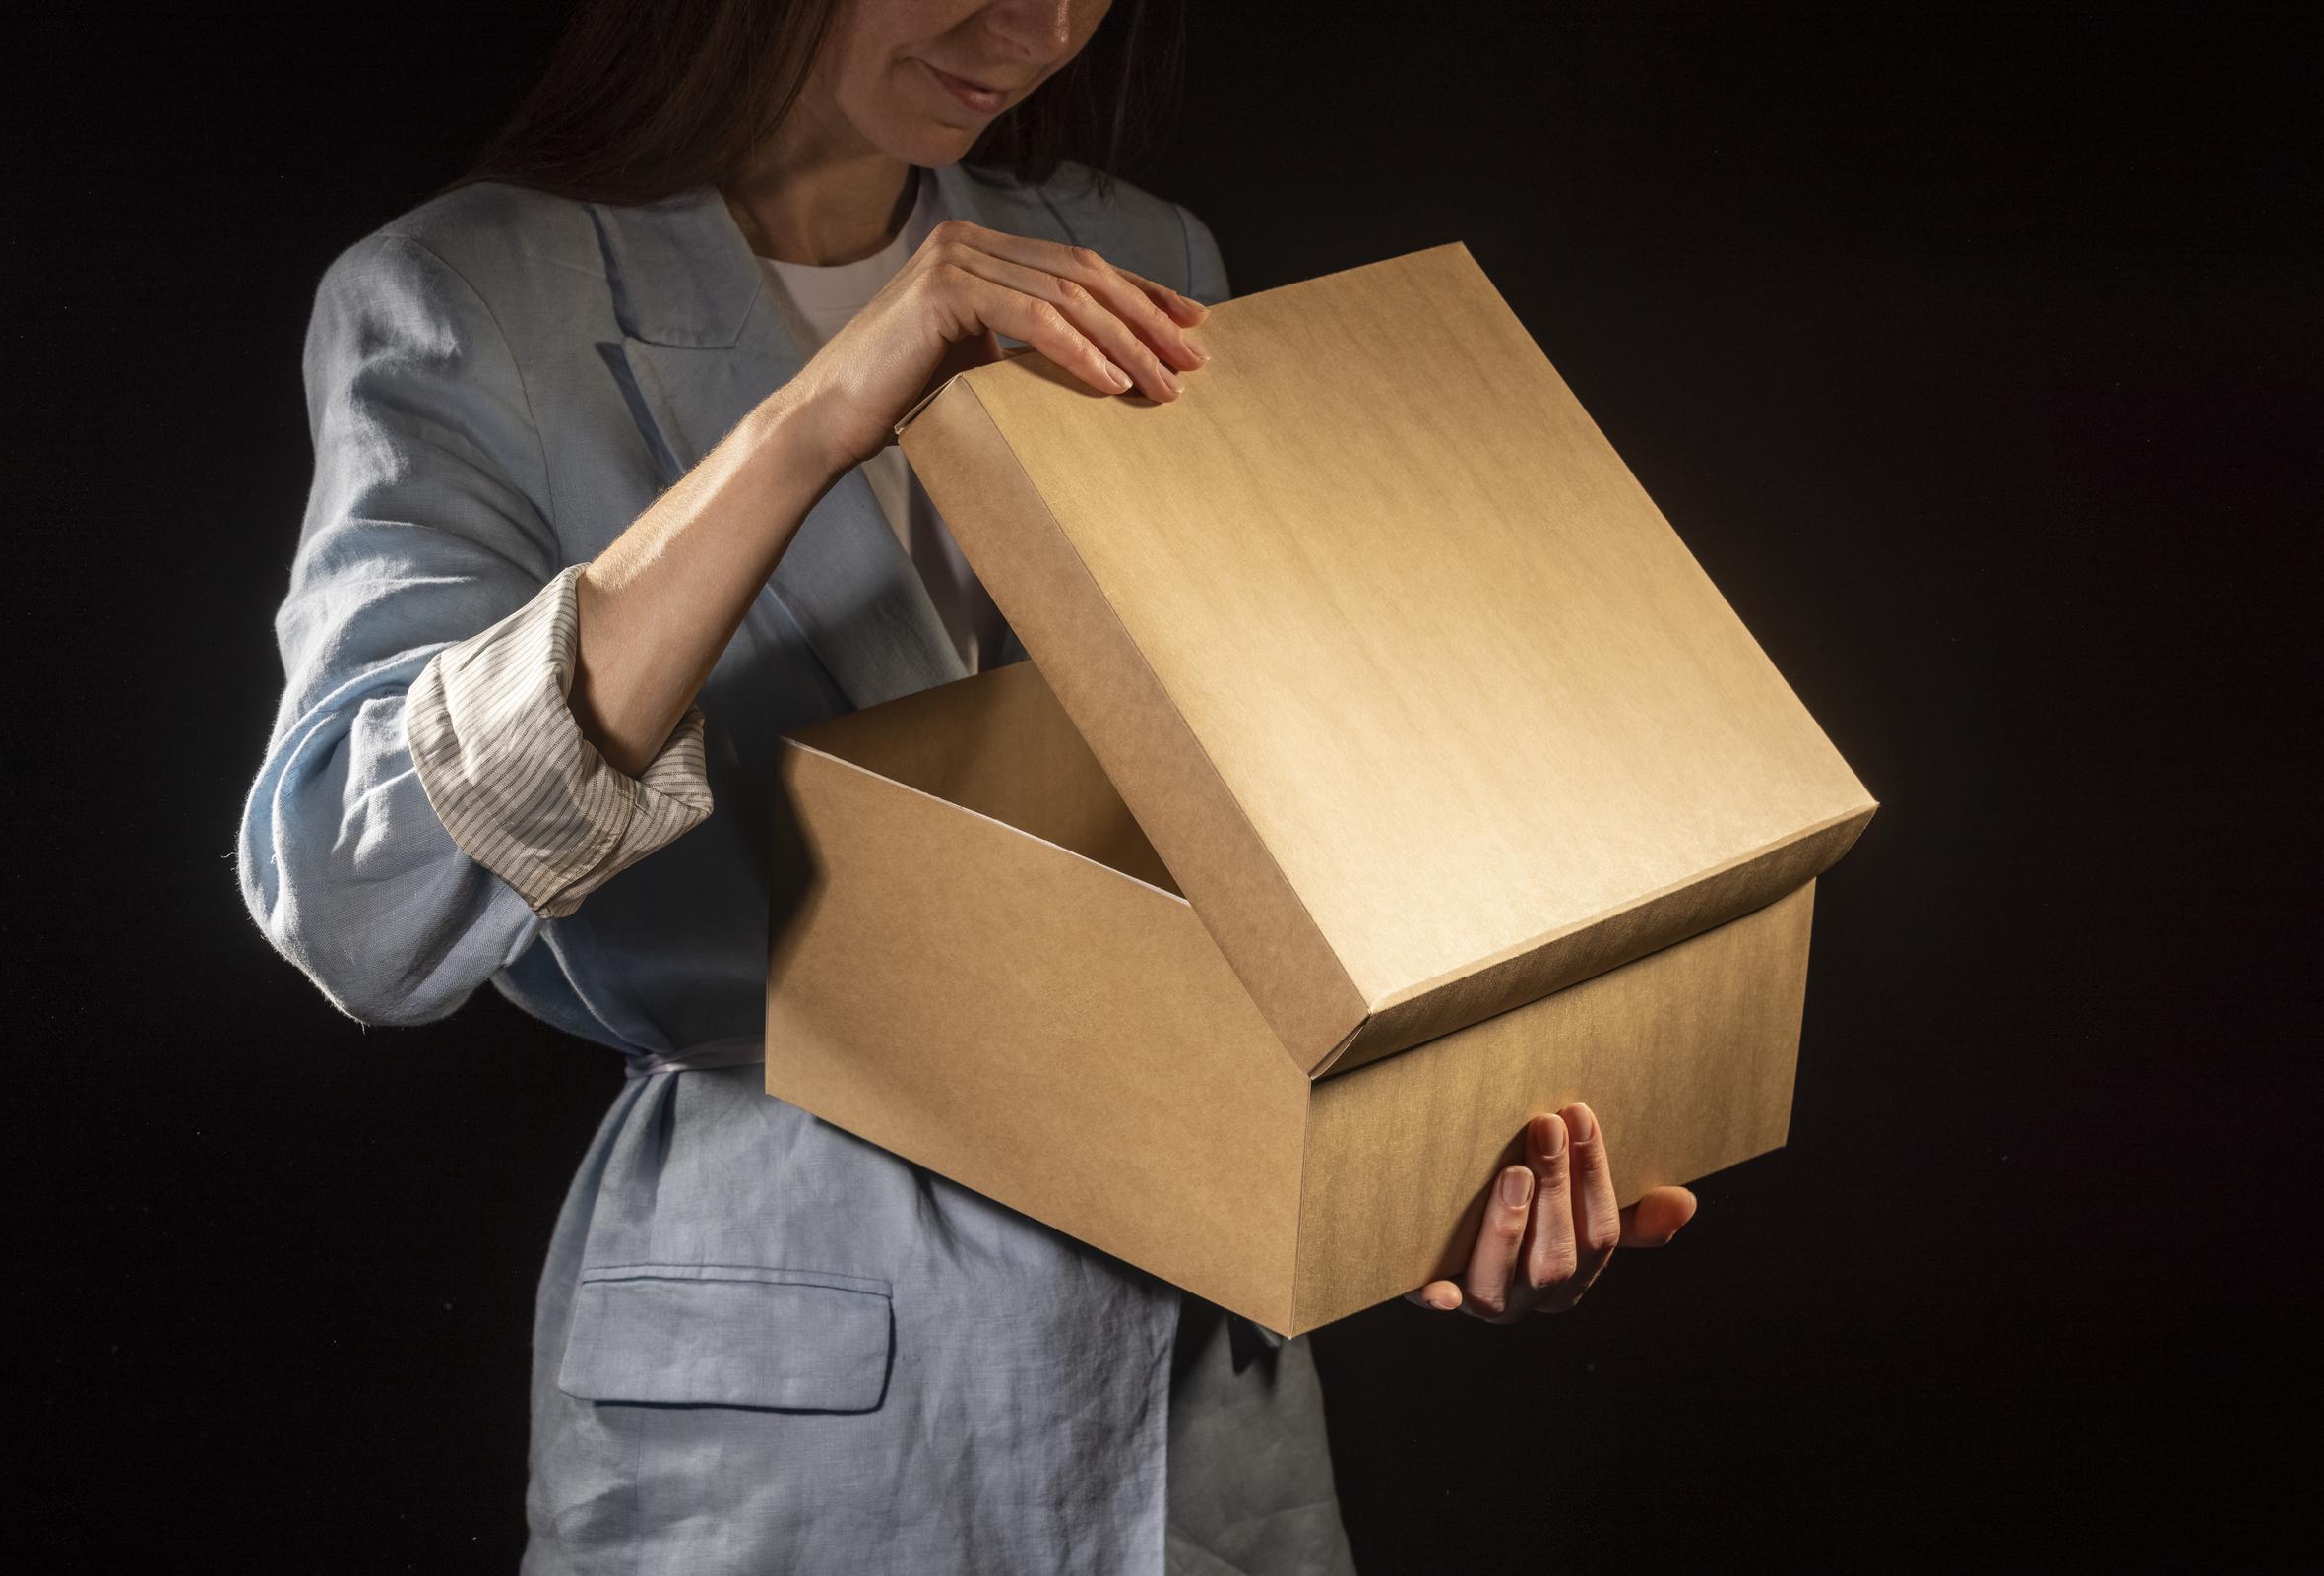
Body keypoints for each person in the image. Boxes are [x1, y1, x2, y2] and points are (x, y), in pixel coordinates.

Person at [232, 2, 1699, 1570]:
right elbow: (351, 897)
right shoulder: (464, 296)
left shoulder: (1146, 256)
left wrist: (1426, 1175)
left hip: (1195, 1396)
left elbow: (1282, 831)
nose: (1041, 26)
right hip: (788, 1393)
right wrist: (814, 420)